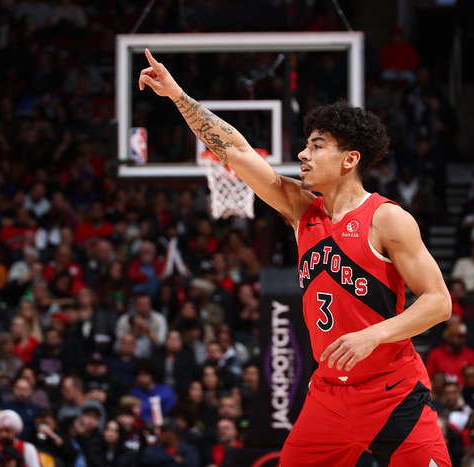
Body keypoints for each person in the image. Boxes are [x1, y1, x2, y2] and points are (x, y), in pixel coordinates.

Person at [140, 49, 452, 467]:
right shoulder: (301, 208)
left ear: (350, 159)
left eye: (316, 146)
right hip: (328, 396)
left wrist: (373, 335)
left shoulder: (387, 219)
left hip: (390, 392)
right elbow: (235, 150)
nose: (303, 154)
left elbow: (439, 302)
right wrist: (177, 95)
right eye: (306, 145)